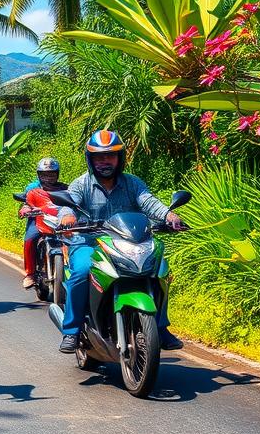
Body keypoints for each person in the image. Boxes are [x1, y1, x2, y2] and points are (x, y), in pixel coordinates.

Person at [57, 129, 185, 353]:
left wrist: (168, 215)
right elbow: (69, 204)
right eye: (98, 156)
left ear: (120, 158)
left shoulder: (133, 183)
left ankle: (160, 327)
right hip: (90, 244)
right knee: (82, 271)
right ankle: (72, 331)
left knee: (161, 272)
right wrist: (67, 217)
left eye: (110, 155)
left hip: (129, 244)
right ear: (91, 159)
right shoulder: (81, 184)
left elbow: (149, 203)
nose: (104, 161)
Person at [19, 157, 69, 290]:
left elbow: (72, 203)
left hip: (58, 221)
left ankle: (73, 270)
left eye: (52, 174)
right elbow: (26, 203)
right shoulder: (32, 188)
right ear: (39, 175)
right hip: (37, 221)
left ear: (57, 174)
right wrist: (25, 209)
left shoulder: (64, 188)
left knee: (74, 239)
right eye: (45, 174)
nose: (48, 177)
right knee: (30, 239)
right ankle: (30, 274)